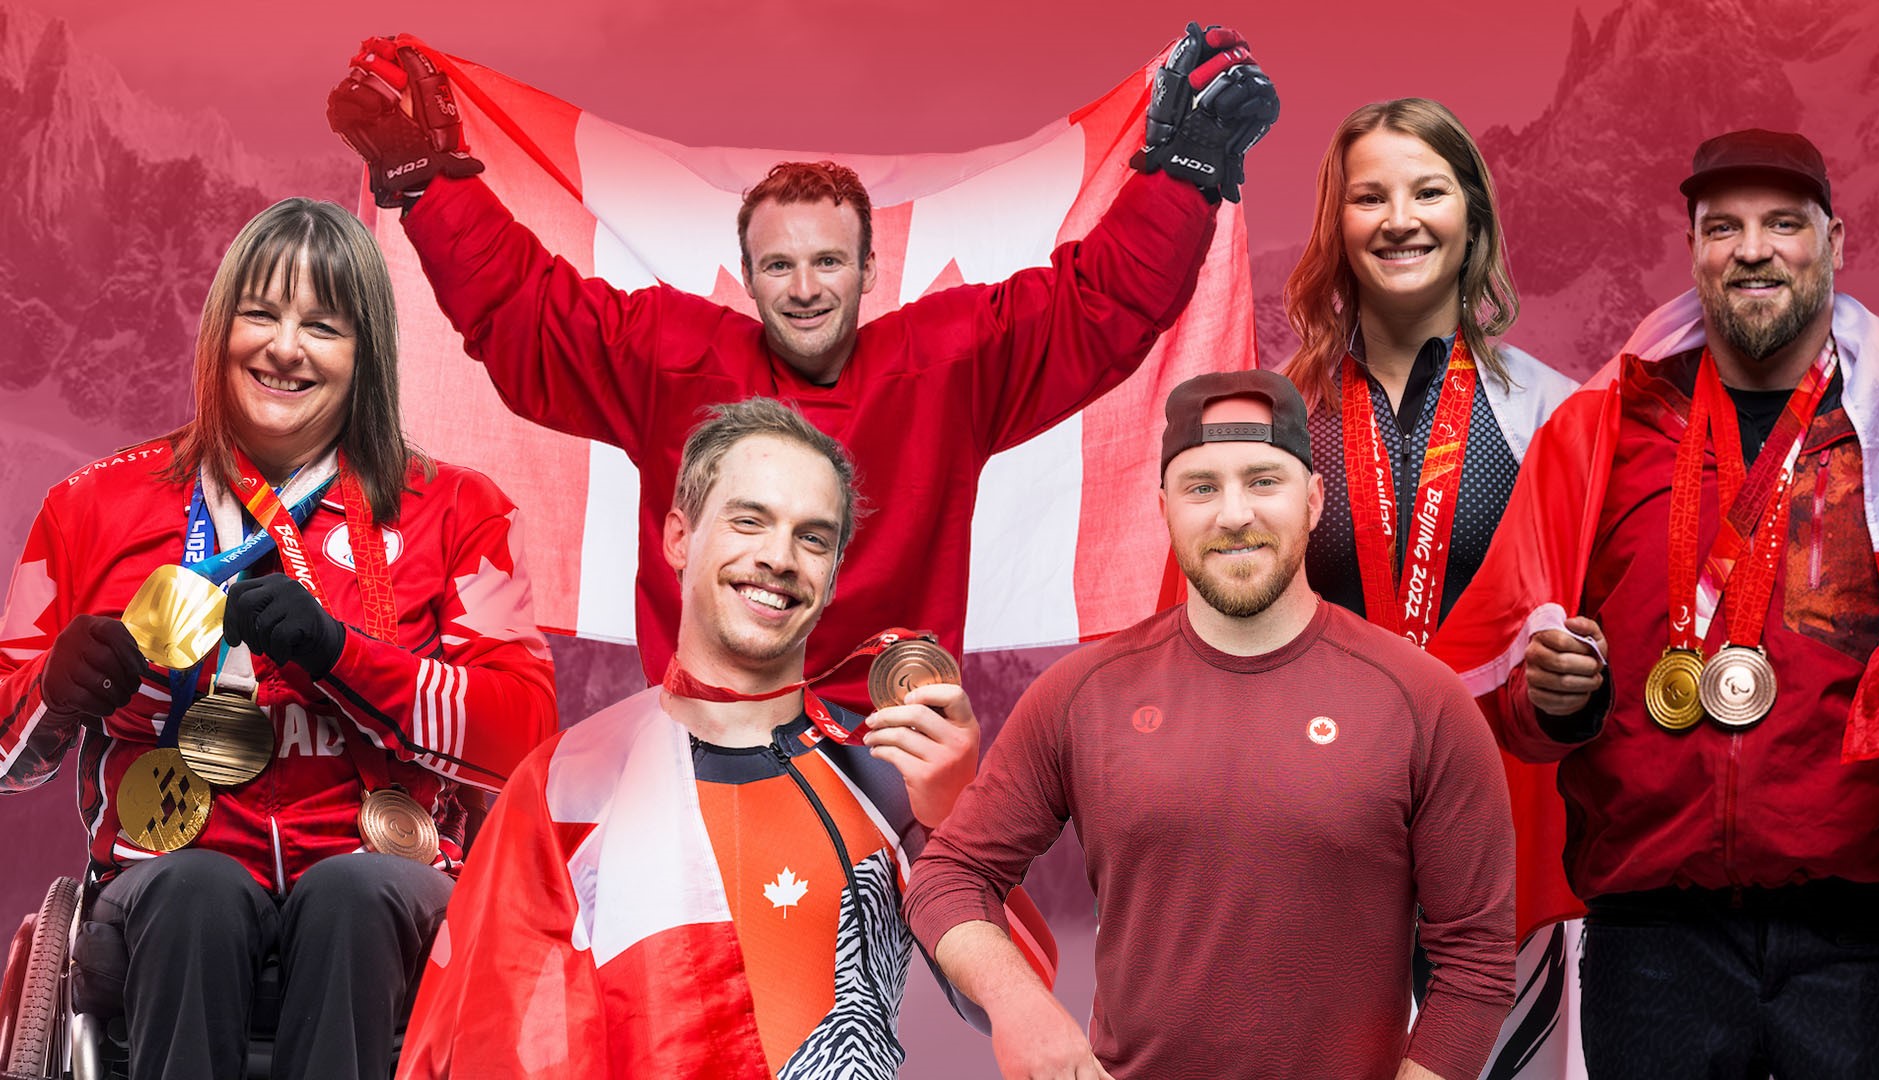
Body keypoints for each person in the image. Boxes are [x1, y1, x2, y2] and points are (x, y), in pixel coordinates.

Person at [322, 23, 1279, 706]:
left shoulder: (945, 365)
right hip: (709, 738)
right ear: (747, 277)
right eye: (780, 264)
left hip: (885, 745)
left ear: (870, 271)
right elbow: (526, 312)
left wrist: (1181, 182)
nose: (806, 287)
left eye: (829, 262)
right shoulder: (675, 359)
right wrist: (429, 193)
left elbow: (1099, 305)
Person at [0, 199, 557, 1080]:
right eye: (260, 313)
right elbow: (8, 755)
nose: (284, 348)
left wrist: (340, 656)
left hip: (381, 870)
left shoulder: (459, 510)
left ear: (366, 353)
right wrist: (55, 689)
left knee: (352, 895)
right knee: (196, 893)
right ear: (219, 329)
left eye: (322, 326)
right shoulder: (90, 506)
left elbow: (522, 735)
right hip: (169, 872)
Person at [1431, 129, 1879, 1079]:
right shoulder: (1598, 430)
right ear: (1692, 246)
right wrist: (1556, 696)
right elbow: (1502, 682)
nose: (1752, 249)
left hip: (1872, 933)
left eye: (1785, 224)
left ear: (1838, 242)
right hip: (1655, 935)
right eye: (1722, 226)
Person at [904, 370, 1516, 1080]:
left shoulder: (1422, 701)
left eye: (1263, 481)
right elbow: (949, 872)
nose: (1234, 514)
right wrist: (1019, 1007)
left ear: (1314, 500)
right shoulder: (1082, 695)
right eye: (1202, 488)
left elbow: (1477, 959)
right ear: (1163, 507)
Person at [399, 398, 1030, 1078]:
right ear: (679, 537)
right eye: (749, 520)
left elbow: (1009, 1007)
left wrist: (957, 817)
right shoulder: (566, 782)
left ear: (835, 572)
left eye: (812, 538)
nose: (779, 557)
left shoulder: (885, 779)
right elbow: (480, 1041)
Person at [1281, 96, 1579, 1074]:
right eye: (1370, 196)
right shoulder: (1271, 423)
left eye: (1428, 190)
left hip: (1502, 874)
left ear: (1474, 220)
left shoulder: (1558, 418)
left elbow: (1596, 650)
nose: (1400, 218)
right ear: (1338, 225)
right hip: (1311, 867)